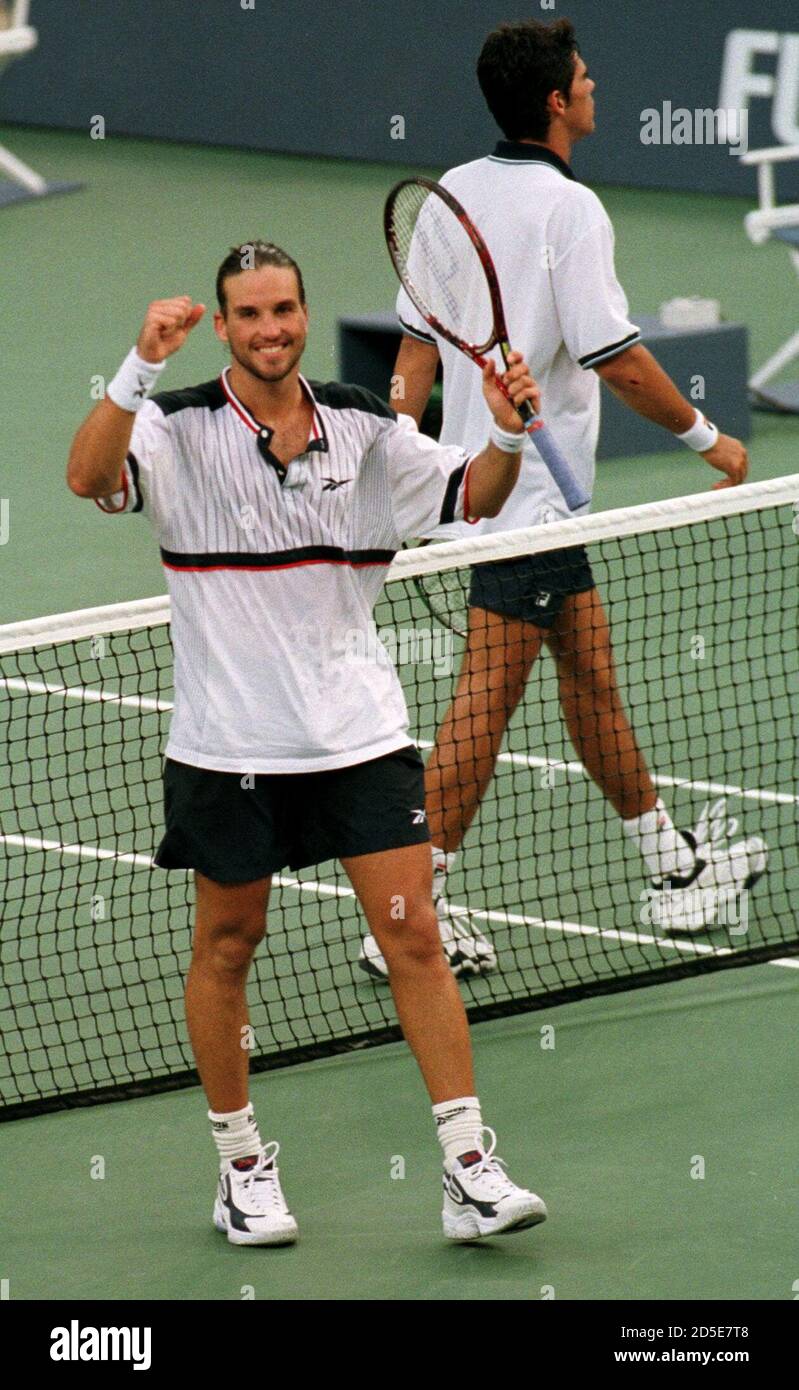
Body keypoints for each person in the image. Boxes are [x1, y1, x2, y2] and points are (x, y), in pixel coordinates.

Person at [66, 240, 549, 1246]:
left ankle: (468, 1164)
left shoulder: (366, 428)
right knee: (228, 946)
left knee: (414, 933)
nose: (270, 329)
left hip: (357, 738)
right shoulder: (176, 423)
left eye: (283, 309)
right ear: (223, 321)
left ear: (302, 310)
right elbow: (85, 476)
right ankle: (240, 1166)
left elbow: (475, 497)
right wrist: (137, 364)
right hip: (227, 748)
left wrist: (505, 431)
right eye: (248, 314)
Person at [359, 17, 767, 981]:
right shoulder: (570, 211)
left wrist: (404, 450)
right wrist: (710, 440)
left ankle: (672, 868)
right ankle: (409, 914)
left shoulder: (454, 193)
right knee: (482, 708)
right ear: (555, 102)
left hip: (488, 495)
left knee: (588, 676)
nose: (594, 87)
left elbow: (411, 350)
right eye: (583, 77)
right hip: (523, 508)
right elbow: (615, 357)